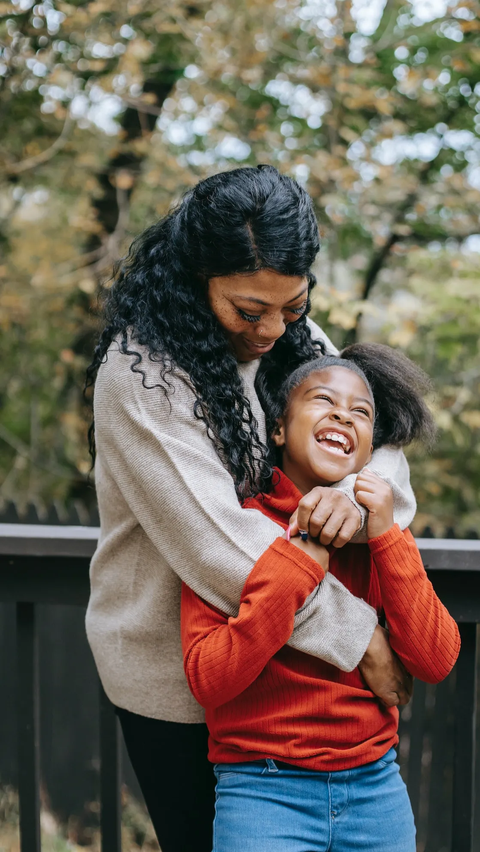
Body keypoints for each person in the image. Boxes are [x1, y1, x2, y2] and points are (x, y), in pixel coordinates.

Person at [85, 166, 415, 852]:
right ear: (195, 278)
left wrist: (354, 502)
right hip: (182, 687)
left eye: (291, 306)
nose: (271, 330)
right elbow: (220, 546)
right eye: (248, 312)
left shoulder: (298, 336)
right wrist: (362, 639)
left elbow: (378, 447)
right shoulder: (141, 373)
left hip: (293, 680)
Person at [181, 344, 461, 851]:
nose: (343, 414)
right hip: (263, 793)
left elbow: (436, 660)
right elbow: (209, 679)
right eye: (322, 399)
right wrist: (298, 564)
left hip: (376, 789)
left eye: (361, 411)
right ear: (279, 429)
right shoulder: (235, 527)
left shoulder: (382, 536)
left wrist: (387, 537)